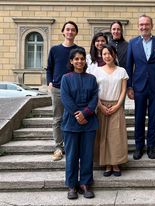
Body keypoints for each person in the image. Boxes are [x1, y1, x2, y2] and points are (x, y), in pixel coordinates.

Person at [126, 14, 155, 160]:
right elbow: (129, 66)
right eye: (141, 25)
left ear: (151, 26)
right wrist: (129, 87)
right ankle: (139, 146)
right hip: (139, 86)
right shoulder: (132, 43)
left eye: (146, 24)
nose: (144, 27)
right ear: (138, 26)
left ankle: (151, 146)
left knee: (154, 117)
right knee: (139, 117)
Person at [60, 48, 98, 200]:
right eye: (76, 59)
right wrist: (78, 113)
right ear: (71, 61)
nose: (79, 61)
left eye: (82, 59)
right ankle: (71, 185)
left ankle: (85, 184)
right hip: (71, 122)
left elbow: (95, 98)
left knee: (87, 155)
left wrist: (86, 113)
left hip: (89, 122)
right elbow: (65, 98)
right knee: (71, 156)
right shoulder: (66, 78)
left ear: (85, 61)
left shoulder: (91, 79)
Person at [46, 21, 84, 161]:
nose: (70, 32)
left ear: (76, 33)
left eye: (72, 30)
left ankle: (71, 146)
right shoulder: (55, 50)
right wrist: (49, 82)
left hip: (74, 89)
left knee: (73, 116)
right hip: (57, 88)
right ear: (63, 32)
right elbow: (49, 68)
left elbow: (82, 67)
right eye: (67, 29)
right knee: (58, 118)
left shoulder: (79, 49)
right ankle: (58, 147)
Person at [90, 44, 128, 177]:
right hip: (101, 105)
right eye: (104, 53)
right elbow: (94, 91)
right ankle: (106, 164)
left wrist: (118, 105)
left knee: (116, 136)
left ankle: (116, 163)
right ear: (102, 55)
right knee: (103, 135)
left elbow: (123, 90)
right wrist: (100, 106)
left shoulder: (121, 71)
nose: (107, 56)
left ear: (114, 55)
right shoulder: (96, 71)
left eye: (109, 53)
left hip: (116, 105)